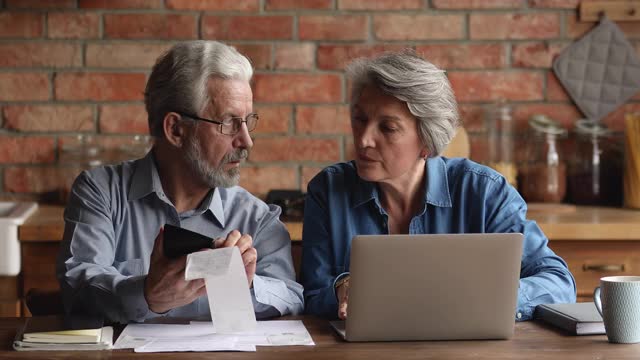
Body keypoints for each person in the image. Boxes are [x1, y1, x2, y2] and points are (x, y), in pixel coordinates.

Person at [301, 51, 576, 321]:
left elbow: (558, 283)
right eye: (360, 119)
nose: (364, 140)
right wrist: (340, 292)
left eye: (387, 128)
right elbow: (312, 296)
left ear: (426, 141)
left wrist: (493, 295)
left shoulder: (484, 193)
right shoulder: (328, 191)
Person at [57, 41, 304, 324]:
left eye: (248, 121)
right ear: (176, 129)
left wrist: (248, 284)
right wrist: (147, 295)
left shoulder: (257, 218)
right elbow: (76, 287)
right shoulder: (100, 193)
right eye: (228, 123)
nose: (246, 141)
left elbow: (292, 298)